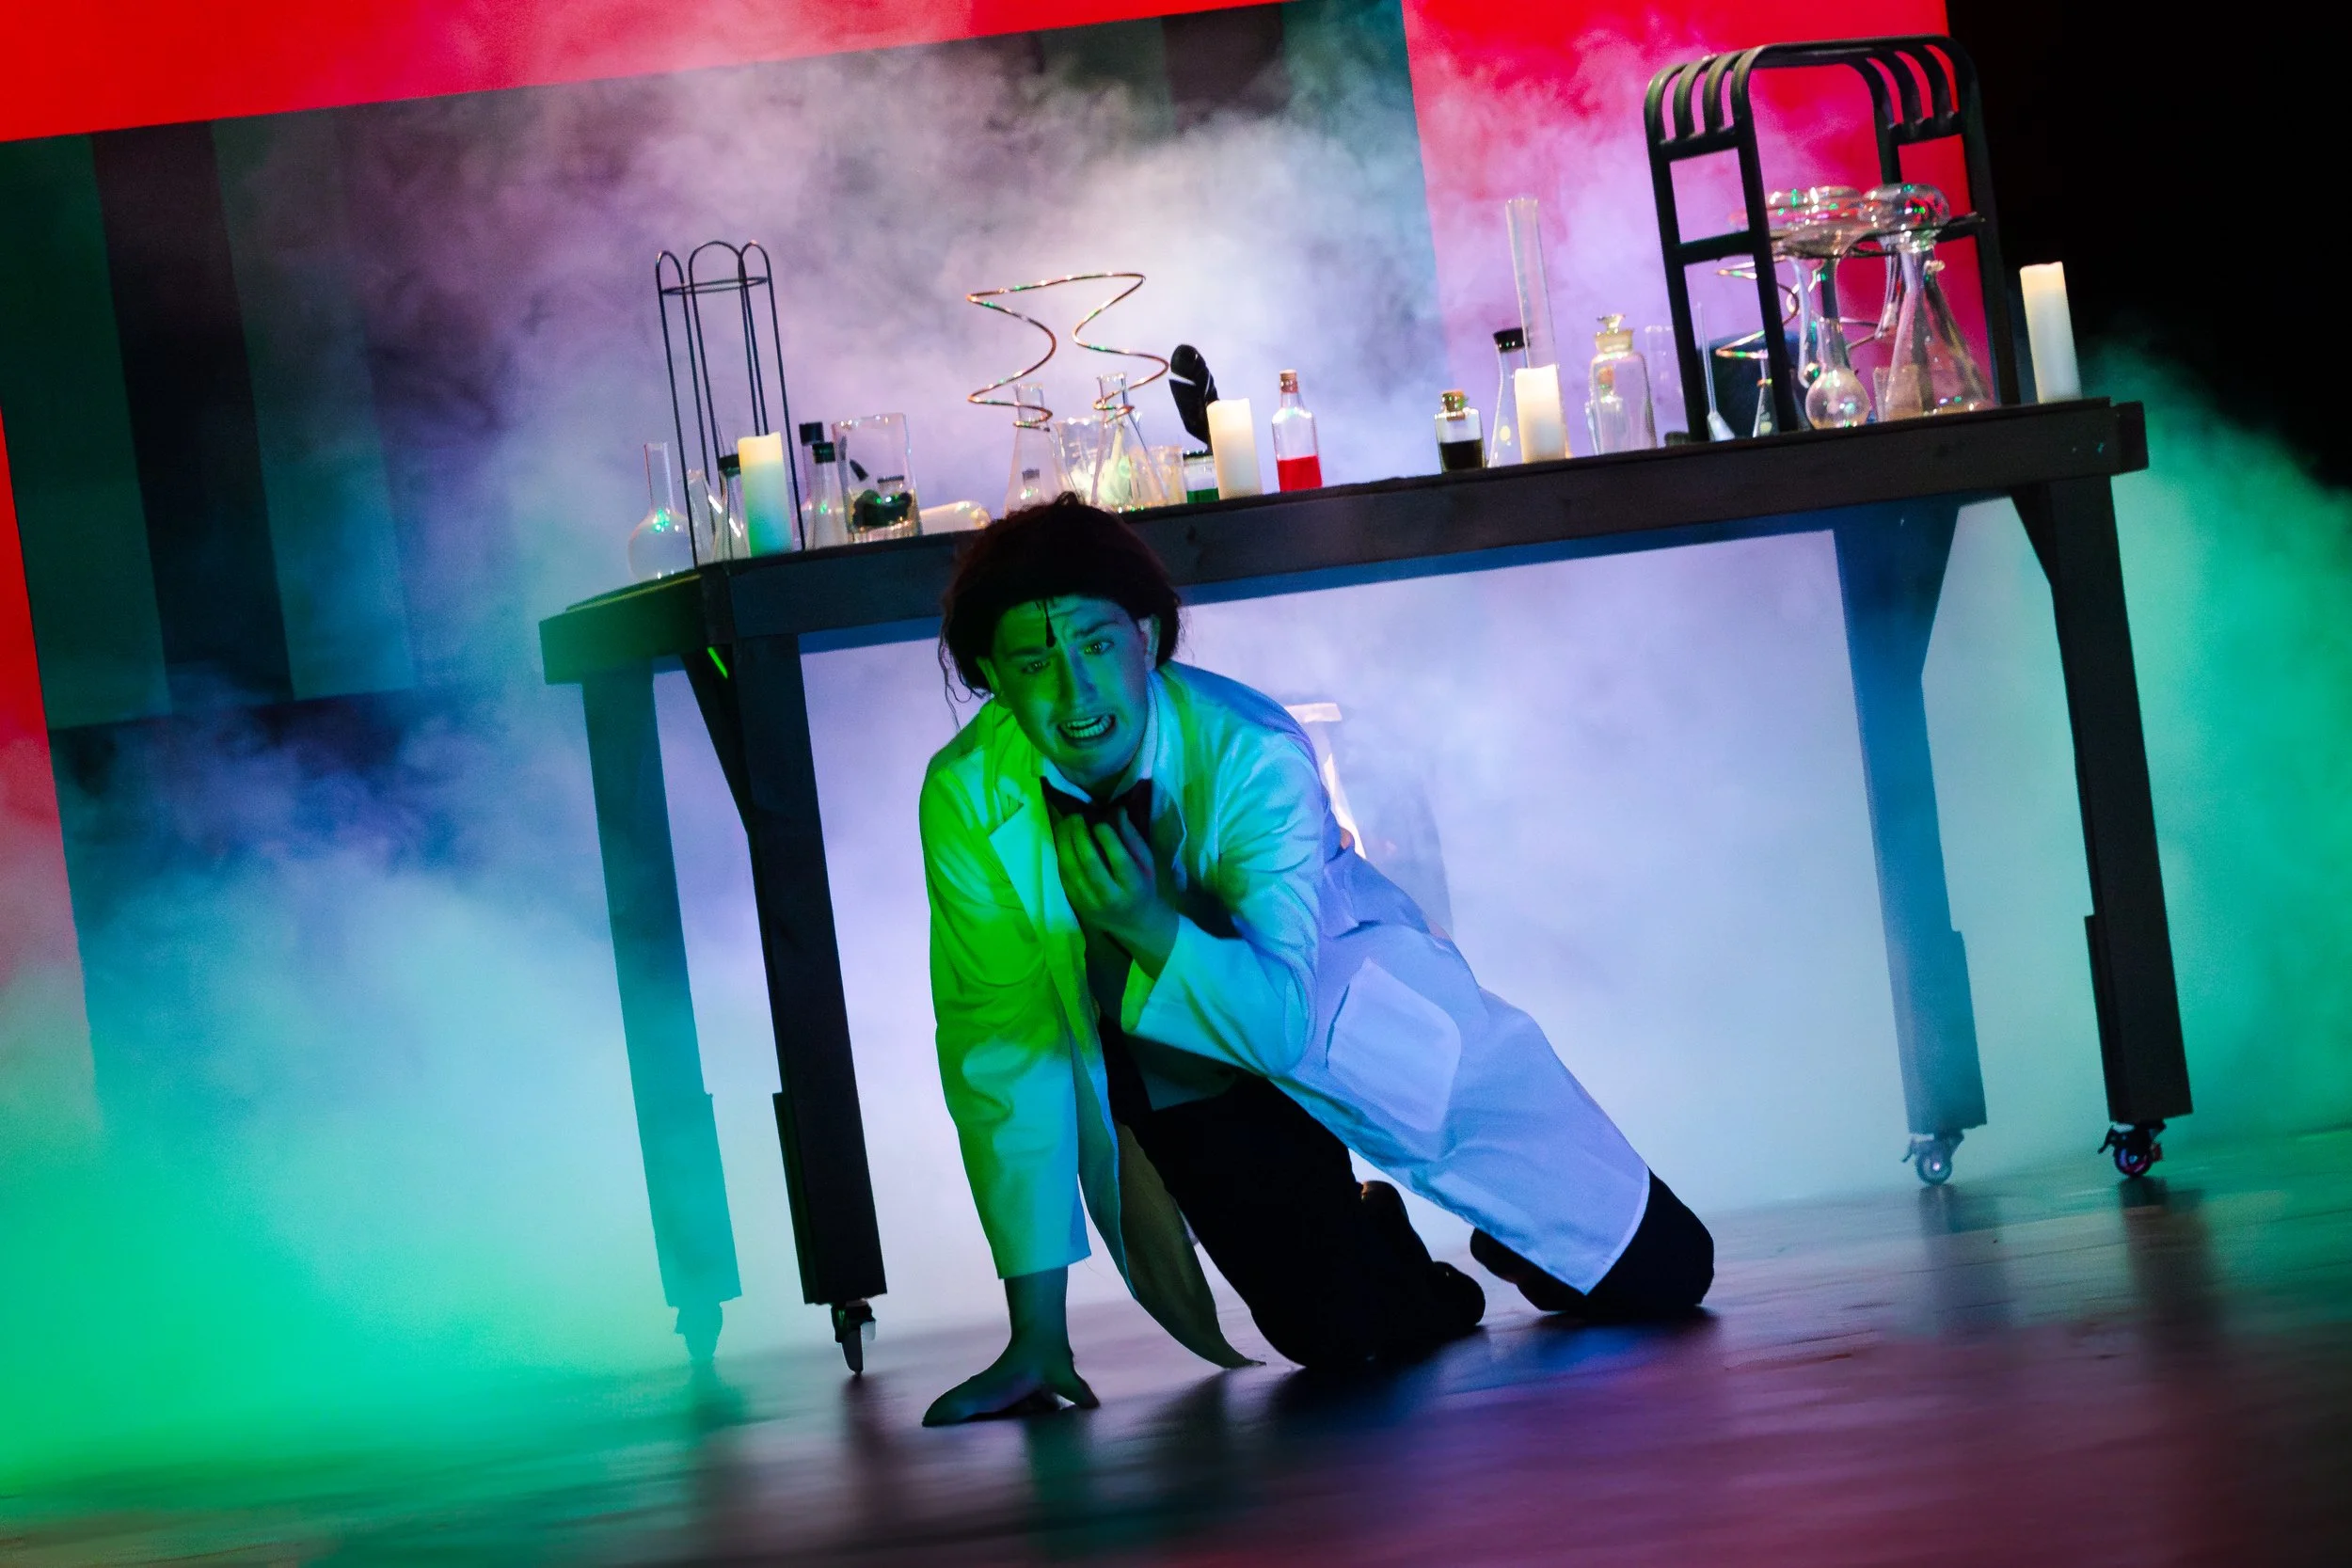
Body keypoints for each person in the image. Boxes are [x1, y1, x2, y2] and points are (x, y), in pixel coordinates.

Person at [919, 498, 1711, 1425]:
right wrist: (1036, 1334)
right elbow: (1000, 1052)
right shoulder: (966, 796)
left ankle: (1515, 1236)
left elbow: (1283, 1020)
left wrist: (1144, 922)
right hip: (1187, 1072)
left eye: (1096, 644)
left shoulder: (1249, 749)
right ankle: (1380, 1243)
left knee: (1664, 1274)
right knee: (1339, 1337)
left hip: (1333, 1021)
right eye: (1032, 661)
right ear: (992, 678)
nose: (1076, 690)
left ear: (1145, 635)